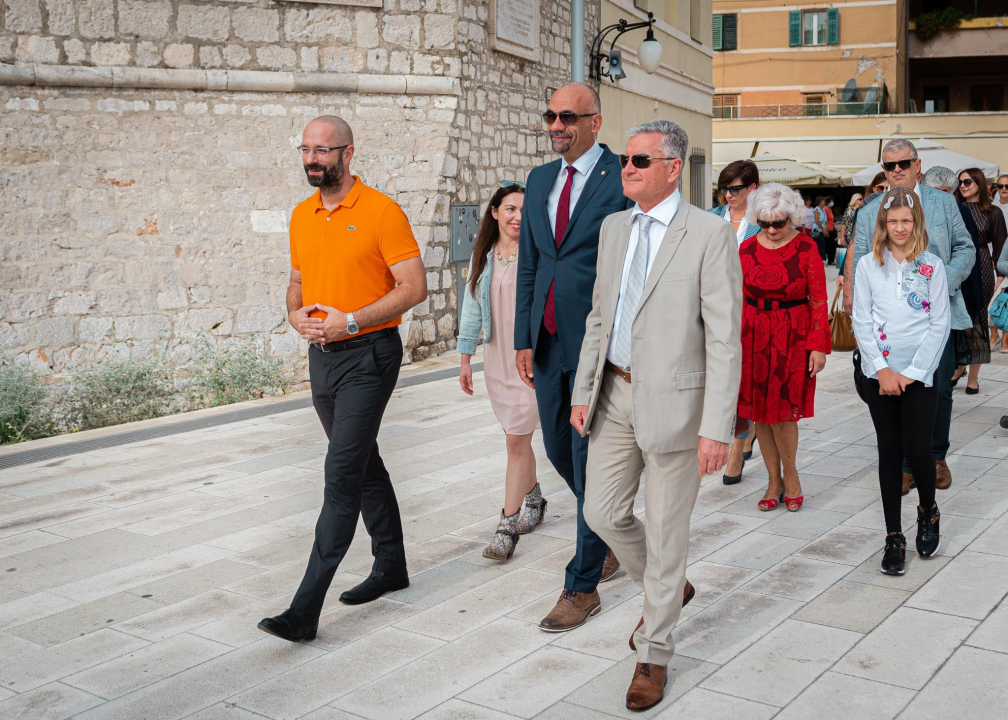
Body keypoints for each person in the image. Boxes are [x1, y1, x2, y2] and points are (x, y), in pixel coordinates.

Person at [572, 119, 742, 711]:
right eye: (626, 158)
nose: (628, 168)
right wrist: (582, 388)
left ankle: (654, 652)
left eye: (640, 161)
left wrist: (716, 427)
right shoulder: (615, 226)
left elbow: (724, 338)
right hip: (613, 395)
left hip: (677, 402)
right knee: (602, 511)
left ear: (673, 169)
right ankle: (671, 589)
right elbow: (601, 315)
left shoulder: (708, 234)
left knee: (668, 536)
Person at [258, 117, 428, 642]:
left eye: (322, 150)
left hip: (370, 354)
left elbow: (415, 286)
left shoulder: (381, 211)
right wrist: (295, 316)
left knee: (340, 474)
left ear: (348, 154)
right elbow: (297, 280)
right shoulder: (302, 215)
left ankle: (305, 611)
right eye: (306, 149)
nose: (312, 159)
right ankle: (391, 565)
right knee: (360, 459)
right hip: (322, 356)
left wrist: (351, 320)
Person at [513, 82, 632, 633]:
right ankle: (614, 531)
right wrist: (521, 336)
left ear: (594, 122)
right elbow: (531, 265)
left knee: (586, 455)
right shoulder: (539, 180)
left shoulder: (621, 179)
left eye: (567, 117)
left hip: (597, 343)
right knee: (559, 447)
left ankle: (581, 586)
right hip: (547, 340)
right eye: (549, 116)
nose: (556, 125)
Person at [851, 139, 974, 494]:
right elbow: (861, 256)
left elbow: (966, 247)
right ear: (884, 170)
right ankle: (904, 462)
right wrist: (853, 298)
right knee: (890, 389)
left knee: (940, 389)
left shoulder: (943, 201)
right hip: (889, 320)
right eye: (890, 165)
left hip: (940, 313)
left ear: (918, 165)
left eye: (904, 163)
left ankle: (935, 456)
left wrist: (941, 282)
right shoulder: (871, 208)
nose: (898, 170)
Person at [852, 187, 949, 575]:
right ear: (883, 224)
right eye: (892, 221)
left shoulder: (932, 266)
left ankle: (928, 511)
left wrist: (911, 373)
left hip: (920, 375)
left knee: (919, 450)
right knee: (889, 451)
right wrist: (883, 370)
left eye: (906, 221)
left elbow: (939, 323)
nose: (899, 227)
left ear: (917, 223)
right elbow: (862, 319)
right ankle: (894, 535)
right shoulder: (867, 266)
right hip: (881, 374)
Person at [457, 183, 544, 560]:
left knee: (515, 441)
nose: (517, 217)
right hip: (496, 360)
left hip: (529, 361)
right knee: (517, 438)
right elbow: (472, 306)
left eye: (524, 210)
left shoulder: (538, 254)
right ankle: (535, 499)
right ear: (495, 212)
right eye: (509, 209)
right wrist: (465, 358)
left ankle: (506, 527)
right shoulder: (485, 255)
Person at [738, 183, 830, 513]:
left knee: (785, 413)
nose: (773, 230)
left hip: (793, 335)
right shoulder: (746, 250)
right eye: (765, 223)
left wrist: (817, 346)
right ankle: (772, 481)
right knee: (759, 414)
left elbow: (819, 299)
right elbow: (734, 298)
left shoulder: (806, 248)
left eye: (779, 222)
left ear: (791, 217)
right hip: (752, 335)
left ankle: (791, 478)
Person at [708, 160, 760, 485]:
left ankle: (737, 448)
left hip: (751, 312)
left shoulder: (765, 222)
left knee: (744, 382)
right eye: (724, 188)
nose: (728, 194)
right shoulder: (711, 218)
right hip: (714, 312)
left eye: (735, 188)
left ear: (752, 188)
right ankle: (748, 428)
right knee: (721, 381)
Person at [922, 166, 987, 376]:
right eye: (936, 191)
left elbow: (967, 251)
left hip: (957, 281)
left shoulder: (960, 211)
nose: (941, 196)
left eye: (946, 191)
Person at [951, 167, 1008, 391]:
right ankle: (957, 367)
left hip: (982, 267)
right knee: (956, 317)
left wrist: (1001, 277)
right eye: (960, 182)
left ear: (978, 183)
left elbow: (1001, 246)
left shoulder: (992, 212)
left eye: (967, 181)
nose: (963, 185)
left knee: (977, 320)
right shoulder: (954, 208)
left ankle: (973, 376)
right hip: (956, 266)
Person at [840, 173, 889, 309]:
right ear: (873, 188)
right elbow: (854, 246)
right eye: (880, 188)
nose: (884, 191)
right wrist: (843, 276)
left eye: (887, 188)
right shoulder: (865, 209)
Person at [836, 193, 863, 273]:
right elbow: (844, 224)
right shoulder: (849, 210)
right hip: (850, 234)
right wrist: (842, 236)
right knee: (850, 251)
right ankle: (846, 269)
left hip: (859, 233)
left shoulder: (862, 209)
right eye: (860, 199)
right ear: (855, 200)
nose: (862, 200)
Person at [811, 196, 828, 260]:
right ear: (819, 202)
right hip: (817, 229)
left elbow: (825, 220)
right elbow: (817, 220)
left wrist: (825, 229)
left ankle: (821, 258)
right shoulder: (816, 209)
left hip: (822, 229)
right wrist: (822, 228)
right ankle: (820, 258)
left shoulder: (823, 210)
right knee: (820, 245)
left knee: (822, 245)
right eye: (823, 201)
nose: (824, 202)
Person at [824, 195, 837, 265]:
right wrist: (825, 230)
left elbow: (832, 220)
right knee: (829, 246)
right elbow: (824, 220)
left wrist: (834, 226)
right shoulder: (825, 209)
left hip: (832, 228)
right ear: (828, 202)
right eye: (831, 201)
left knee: (832, 245)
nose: (832, 202)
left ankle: (831, 260)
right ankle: (829, 260)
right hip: (828, 229)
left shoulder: (830, 209)